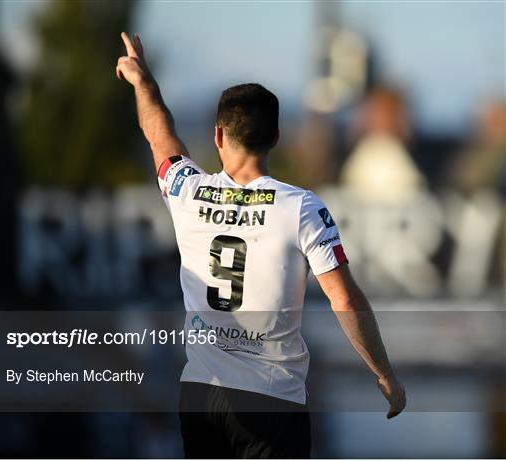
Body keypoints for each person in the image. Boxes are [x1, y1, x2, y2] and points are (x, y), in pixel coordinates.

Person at [116, 32, 406, 459]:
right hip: (271, 400)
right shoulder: (302, 207)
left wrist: (144, 85)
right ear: (276, 138)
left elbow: (158, 133)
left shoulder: (187, 192)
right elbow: (343, 298)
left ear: (218, 136)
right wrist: (385, 375)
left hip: (201, 395)